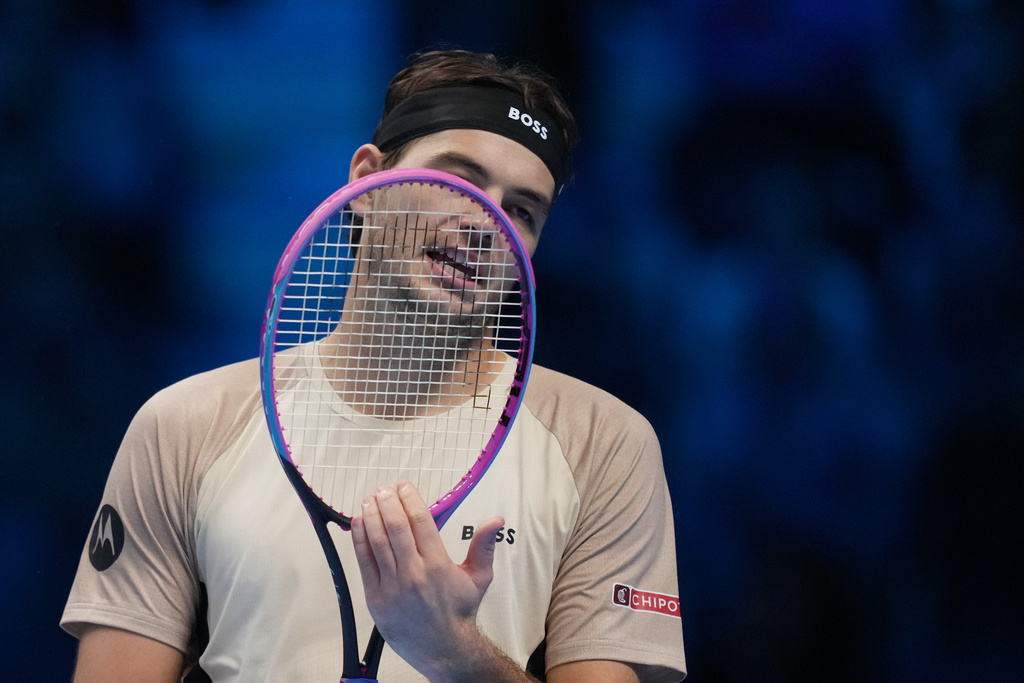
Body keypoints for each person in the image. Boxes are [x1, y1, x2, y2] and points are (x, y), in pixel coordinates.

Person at [62, 49, 687, 682]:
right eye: (459, 181)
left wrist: (453, 651)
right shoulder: (187, 426)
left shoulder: (603, 445)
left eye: (521, 211)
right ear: (366, 181)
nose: (485, 222)